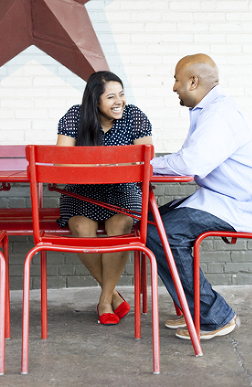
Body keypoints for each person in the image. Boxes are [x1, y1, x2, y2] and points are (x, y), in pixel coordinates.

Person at [147, 53, 252, 340]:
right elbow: (191, 161)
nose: (173, 88)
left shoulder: (218, 114)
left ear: (193, 82)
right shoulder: (213, 111)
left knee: (162, 233)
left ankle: (214, 316)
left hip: (241, 206)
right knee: (150, 224)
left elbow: (191, 164)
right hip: (226, 198)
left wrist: (144, 165)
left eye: (176, 81)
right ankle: (192, 307)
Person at [56, 70, 153, 326]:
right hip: (82, 191)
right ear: (95, 101)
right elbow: (62, 164)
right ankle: (113, 296)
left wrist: (101, 167)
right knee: (79, 225)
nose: (119, 101)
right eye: (111, 96)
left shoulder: (135, 117)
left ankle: (104, 300)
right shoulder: (74, 117)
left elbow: (145, 161)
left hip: (123, 190)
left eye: (121, 94)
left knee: (120, 224)